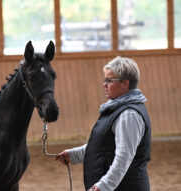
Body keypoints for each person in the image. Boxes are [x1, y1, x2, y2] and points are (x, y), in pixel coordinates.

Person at [56, 56, 151, 191]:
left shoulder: (129, 115)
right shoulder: (117, 109)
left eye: (109, 80)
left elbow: (123, 156)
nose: (104, 84)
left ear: (124, 84)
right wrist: (74, 154)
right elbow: (104, 145)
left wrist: (105, 186)